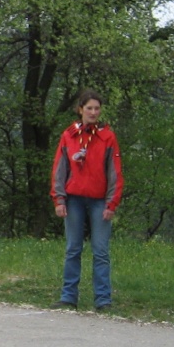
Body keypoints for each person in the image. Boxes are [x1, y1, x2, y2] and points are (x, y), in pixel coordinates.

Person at [50, 90, 124, 310]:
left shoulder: (107, 137)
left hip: (99, 201)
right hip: (73, 200)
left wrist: (112, 203)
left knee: (100, 250)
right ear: (80, 110)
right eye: (89, 108)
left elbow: (115, 172)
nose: (93, 112)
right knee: (73, 248)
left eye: (97, 108)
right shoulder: (69, 136)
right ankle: (68, 297)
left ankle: (103, 299)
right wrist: (59, 199)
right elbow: (59, 169)